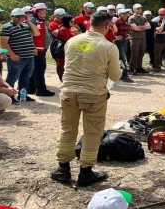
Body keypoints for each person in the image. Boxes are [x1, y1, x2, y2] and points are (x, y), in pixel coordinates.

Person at [51, 12, 121, 187]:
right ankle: (86, 172)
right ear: (107, 26)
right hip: (93, 94)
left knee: (67, 128)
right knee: (93, 131)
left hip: (68, 91)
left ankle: (63, 169)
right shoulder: (109, 46)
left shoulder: (72, 41)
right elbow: (115, 75)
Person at [1, 8, 40, 104]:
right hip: (16, 58)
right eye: (17, 16)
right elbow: (3, 43)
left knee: (26, 77)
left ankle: (23, 95)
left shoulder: (25, 26)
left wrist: (29, 22)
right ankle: (9, 96)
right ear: (12, 17)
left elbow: (36, 33)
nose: (20, 18)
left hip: (29, 57)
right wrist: (12, 55)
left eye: (22, 16)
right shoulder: (7, 27)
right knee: (12, 78)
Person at [28, 3, 56, 96]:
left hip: (40, 49)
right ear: (39, 11)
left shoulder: (39, 19)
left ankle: (30, 88)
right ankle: (41, 90)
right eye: (44, 10)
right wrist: (32, 47)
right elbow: (29, 34)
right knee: (39, 70)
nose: (46, 12)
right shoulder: (33, 19)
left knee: (36, 69)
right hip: (36, 50)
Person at [53, 15, 77, 81]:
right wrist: (75, 34)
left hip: (68, 50)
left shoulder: (68, 28)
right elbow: (68, 40)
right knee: (62, 66)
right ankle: (63, 80)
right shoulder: (64, 29)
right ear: (67, 21)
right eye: (71, 21)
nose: (73, 23)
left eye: (73, 21)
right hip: (64, 51)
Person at [128, 4, 150, 75]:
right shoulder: (132, 18)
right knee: (134, 54)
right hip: (135, 38)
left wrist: (140, 26)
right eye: (137, 8)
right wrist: (143, 27)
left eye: (140, 8)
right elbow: (135, 28)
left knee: (141, 53)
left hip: (143, 38)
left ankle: (139, 68)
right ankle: (131, 69)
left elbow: (149, 26)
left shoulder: (143, 18)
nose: (139, 9)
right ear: (134, 9)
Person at [113, 8, 135, 82]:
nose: (126, 15)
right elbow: (112, 31)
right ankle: (125, 75)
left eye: (127, 13)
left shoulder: (125, 23)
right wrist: (115, 37)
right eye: (124, 13)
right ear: (120, 14)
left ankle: (120, 75)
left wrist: (129, 35)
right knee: (122, 59)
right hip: (118, 42)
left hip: (124, 41)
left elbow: (129, 31)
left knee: (121, 58)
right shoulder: (117, 21)